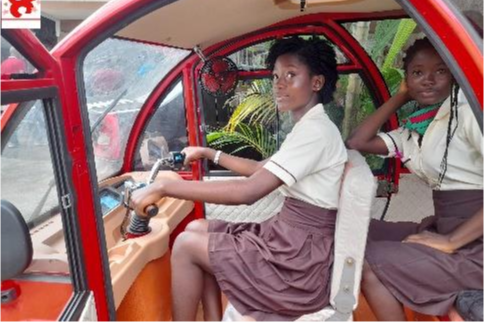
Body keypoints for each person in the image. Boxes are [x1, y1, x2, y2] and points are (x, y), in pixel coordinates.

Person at [132, 37, 347, 322]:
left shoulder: (315, 133)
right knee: (198, 227)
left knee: (185, 245)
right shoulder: (309, 127)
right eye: (275, 76)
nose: (279, 84)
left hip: (297, 262)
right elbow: (259, 169)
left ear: (317, 83)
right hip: (290, 240)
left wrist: (164, 186)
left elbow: (249, 192)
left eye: (291, 75)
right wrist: (210, 153)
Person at [346, 38, 484, 321]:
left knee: (367, 261)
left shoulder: (468, 114)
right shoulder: (414, 131)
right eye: (418, 73)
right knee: (357, 232)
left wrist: (451, 242)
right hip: (446, 227)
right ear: (407, 79)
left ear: (455, 74)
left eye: (441, 71)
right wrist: (401, 96)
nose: (429, 80)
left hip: (474, 245)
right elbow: (357, 140)